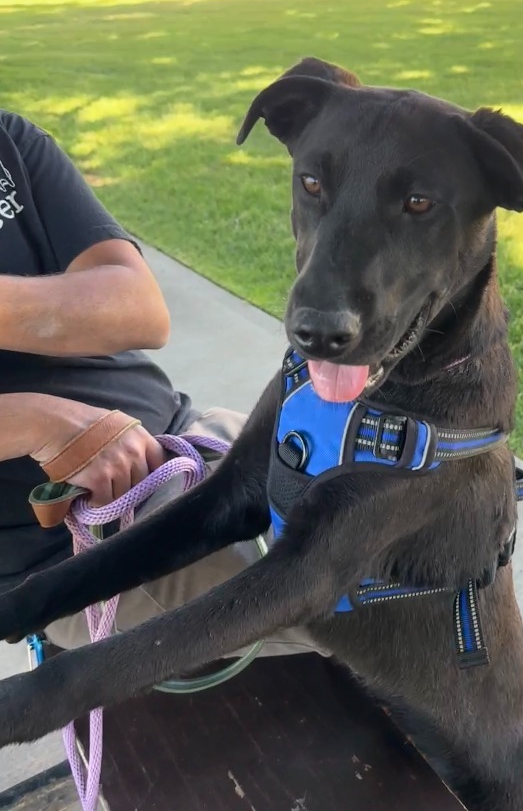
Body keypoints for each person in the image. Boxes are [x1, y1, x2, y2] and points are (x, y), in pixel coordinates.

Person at [0, 109, 313, 656]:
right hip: (78, 557)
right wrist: (33, 421)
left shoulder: (9, 141)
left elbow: (137, 308)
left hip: (191, 440)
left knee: (437, 510)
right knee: (395, 590)